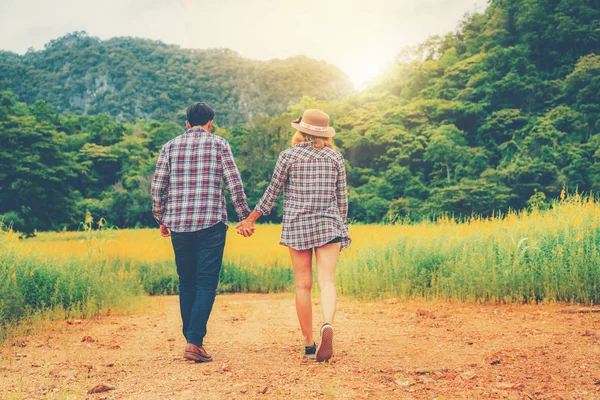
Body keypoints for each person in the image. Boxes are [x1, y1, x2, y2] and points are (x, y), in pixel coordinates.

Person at [237, 109, 351, 362]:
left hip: (297, 225)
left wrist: (250, 219)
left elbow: (272, 193)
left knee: (303, 285)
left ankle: (310, 345)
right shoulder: (335, 158)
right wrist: (340, 227)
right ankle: (328, 324)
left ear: (301, 130)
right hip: (328, 224)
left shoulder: (289, 156)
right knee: (328, 282)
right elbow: (342, 199)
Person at [151, 102, 252, 363]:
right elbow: (234, 183)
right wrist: (244, 217)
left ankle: (191, 340)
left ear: (187, 123)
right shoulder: (220, 144)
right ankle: (194, 341)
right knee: (206, 282)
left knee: (187, 281)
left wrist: (162, 217)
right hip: (211, 222)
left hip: (179, 224)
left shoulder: (169, 147)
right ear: (210, 123)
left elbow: (157, 187)